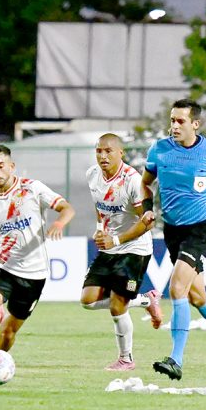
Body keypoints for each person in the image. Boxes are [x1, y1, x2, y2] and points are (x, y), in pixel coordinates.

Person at [0, 144, 75, 385]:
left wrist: (59, 223)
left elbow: (67, 208)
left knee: (8, 333)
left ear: (11, 166)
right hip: (4, 267)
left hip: (35, 275)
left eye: (0, 166)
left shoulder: (33, 188)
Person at [141, 99, 206, 381]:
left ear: (195, 124)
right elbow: (145, 182)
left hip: (200, 230)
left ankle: (176, 359)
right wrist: (147, 208)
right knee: (197, 296)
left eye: (180, 121)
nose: (174, 126)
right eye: (172, 120)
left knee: (177, 289)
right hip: (172, 231)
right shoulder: (159, 150)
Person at [81, 133, 163, 371]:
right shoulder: (92, 174)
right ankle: (146, 300)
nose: (103, 156)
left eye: (108, 151)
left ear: (120, 153)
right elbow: (99, 205)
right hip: (110, 247)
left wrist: (115, 239)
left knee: (117, 305)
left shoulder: (132, 181)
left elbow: (147, 223)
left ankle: (126, 359)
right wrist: (100, 229)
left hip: (135, 249)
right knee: (87, 301)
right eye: (99, 151)